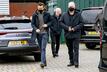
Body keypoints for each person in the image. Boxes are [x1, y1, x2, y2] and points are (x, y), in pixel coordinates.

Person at [60, 2, 83, 68]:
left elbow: (81, 24)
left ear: (74, 7)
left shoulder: (78, 14)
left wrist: (75, 28)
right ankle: (71, 61)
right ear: (68, 7)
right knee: (70, 49)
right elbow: (61, 22)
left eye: (72, 6)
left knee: (76, 49)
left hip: (76, 35)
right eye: (70, 6)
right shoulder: (64, 15)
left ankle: (76, 63)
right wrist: (67, 28)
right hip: (68, 35)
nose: (71, 7)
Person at [31, 2, 53, 68]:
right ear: (37, 7)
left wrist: (47, 24)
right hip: (38, 34)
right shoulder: (34, 15)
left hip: (45, 33)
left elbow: (51, 21)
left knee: (43, 48)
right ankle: (44, 61)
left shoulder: (47, 14)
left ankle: (42, 62)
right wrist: (36, 29)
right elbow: (32, 24)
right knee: (41, 48)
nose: (40, 9)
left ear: (43, 7)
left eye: (41, 8)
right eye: (39, 7)